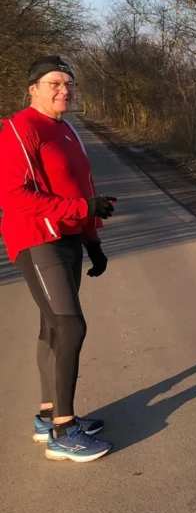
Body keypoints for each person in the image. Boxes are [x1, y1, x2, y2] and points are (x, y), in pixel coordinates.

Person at [0, 56, 116, 462]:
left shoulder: (67, 130)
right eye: (55, 83)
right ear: (33, 87)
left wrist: (91, 241)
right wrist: (84, 208)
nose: (64, 90)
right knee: (70, 327)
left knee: (52, 327)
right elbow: (12, 196)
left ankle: (48, 416)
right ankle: (64, 434)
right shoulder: (19, 128)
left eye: (68, 83)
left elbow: (81, 187)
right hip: (37, 240)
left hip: (66, 238)